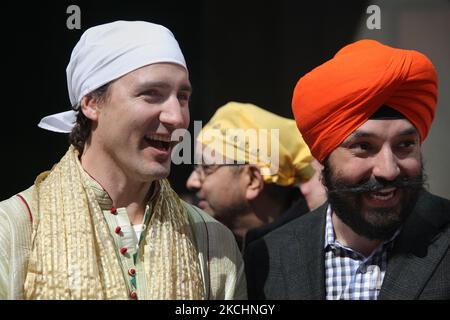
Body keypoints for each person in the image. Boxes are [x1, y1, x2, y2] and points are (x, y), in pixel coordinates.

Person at [0, 21, 246, 300]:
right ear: (91, 102)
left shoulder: (212, 241)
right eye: (151, 94)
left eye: (182, 97)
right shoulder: (13, 228)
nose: (176, 117)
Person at [244, 39, 450, 300]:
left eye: (405, 145)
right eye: (363, 146)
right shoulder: (270, 256)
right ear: (323, 157)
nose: (388, 170)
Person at [186, 102, 326, 250]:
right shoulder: (211, 250)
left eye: (206, 167)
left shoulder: (310, 249)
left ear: (252, 180)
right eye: (196, 167)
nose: (191, 182)